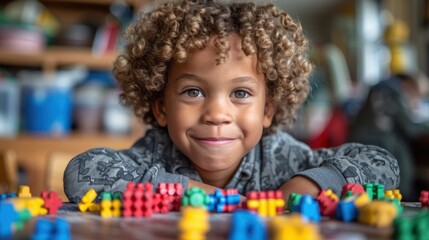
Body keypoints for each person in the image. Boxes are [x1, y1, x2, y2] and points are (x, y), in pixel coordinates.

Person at [63, 0, 399, 203]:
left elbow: (383, 163)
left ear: (267, 110)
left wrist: (314, 182)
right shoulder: (154, 155)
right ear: (161, 108)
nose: (217, 113)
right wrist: (192, 194)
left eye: (240, 93)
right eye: (193, 91)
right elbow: (81, 173)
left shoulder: (284, 158)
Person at [348, 72, 429, 200]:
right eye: (417, 95)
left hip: (357, 142)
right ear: (408, 86)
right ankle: (405, 198)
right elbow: (410, 128)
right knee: (402, 151)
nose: (416, 101)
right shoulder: (395, 91)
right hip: (377, 146)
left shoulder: (381, 86)